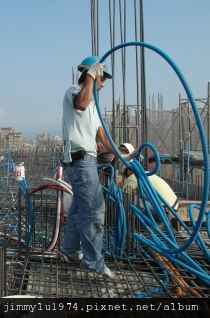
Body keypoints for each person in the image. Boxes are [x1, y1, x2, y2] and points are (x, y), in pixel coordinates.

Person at [60, 55, 117, 279]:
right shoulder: (74, 91)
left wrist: (121, 155)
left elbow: (102, 136)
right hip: (80, 161)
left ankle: (70, 251)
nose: (103, 85)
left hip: (87, 161)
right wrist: (92, 76)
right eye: (102, 79)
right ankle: (93, 263)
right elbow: (80, 104)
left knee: (77, 210)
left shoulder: (94, 105)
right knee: (93, 211)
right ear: (91, 74)